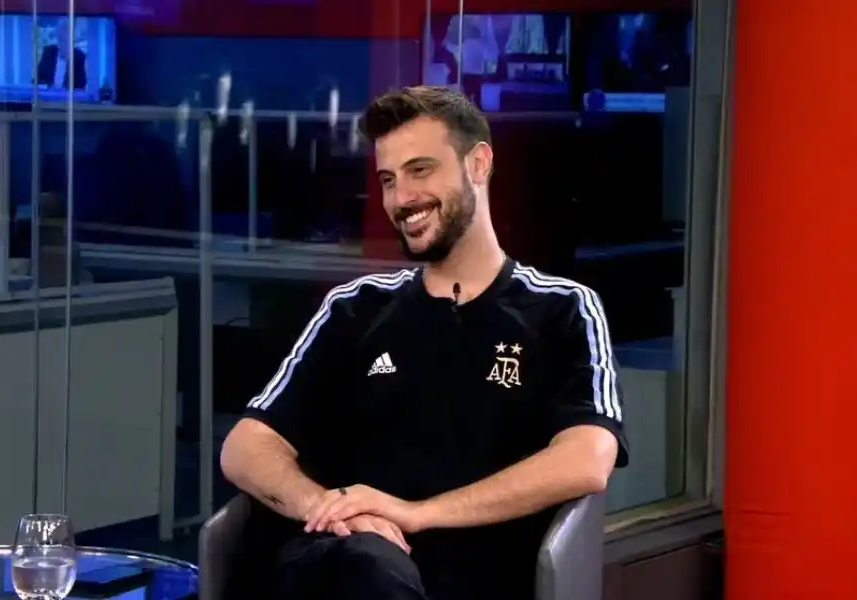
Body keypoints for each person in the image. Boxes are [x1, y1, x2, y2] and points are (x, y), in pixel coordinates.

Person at [220, 85, 628, 600]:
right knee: (359, 564)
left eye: (420, 170)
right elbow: (245, 447)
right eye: (388, 180)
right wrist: (328, 509)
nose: (401, 199)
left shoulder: (562, 309)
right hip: (337, 564)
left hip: (465, 575)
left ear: (478, 164)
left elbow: (587, 458)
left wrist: (416, 514)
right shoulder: (356, 307)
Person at [36, 18, 87, 90]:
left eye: (64, 41)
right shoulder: (48, 53)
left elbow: (80, 87)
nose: (61, 44)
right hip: (47, 96)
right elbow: (37, 80)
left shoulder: (80, 58)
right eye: (59, 39)